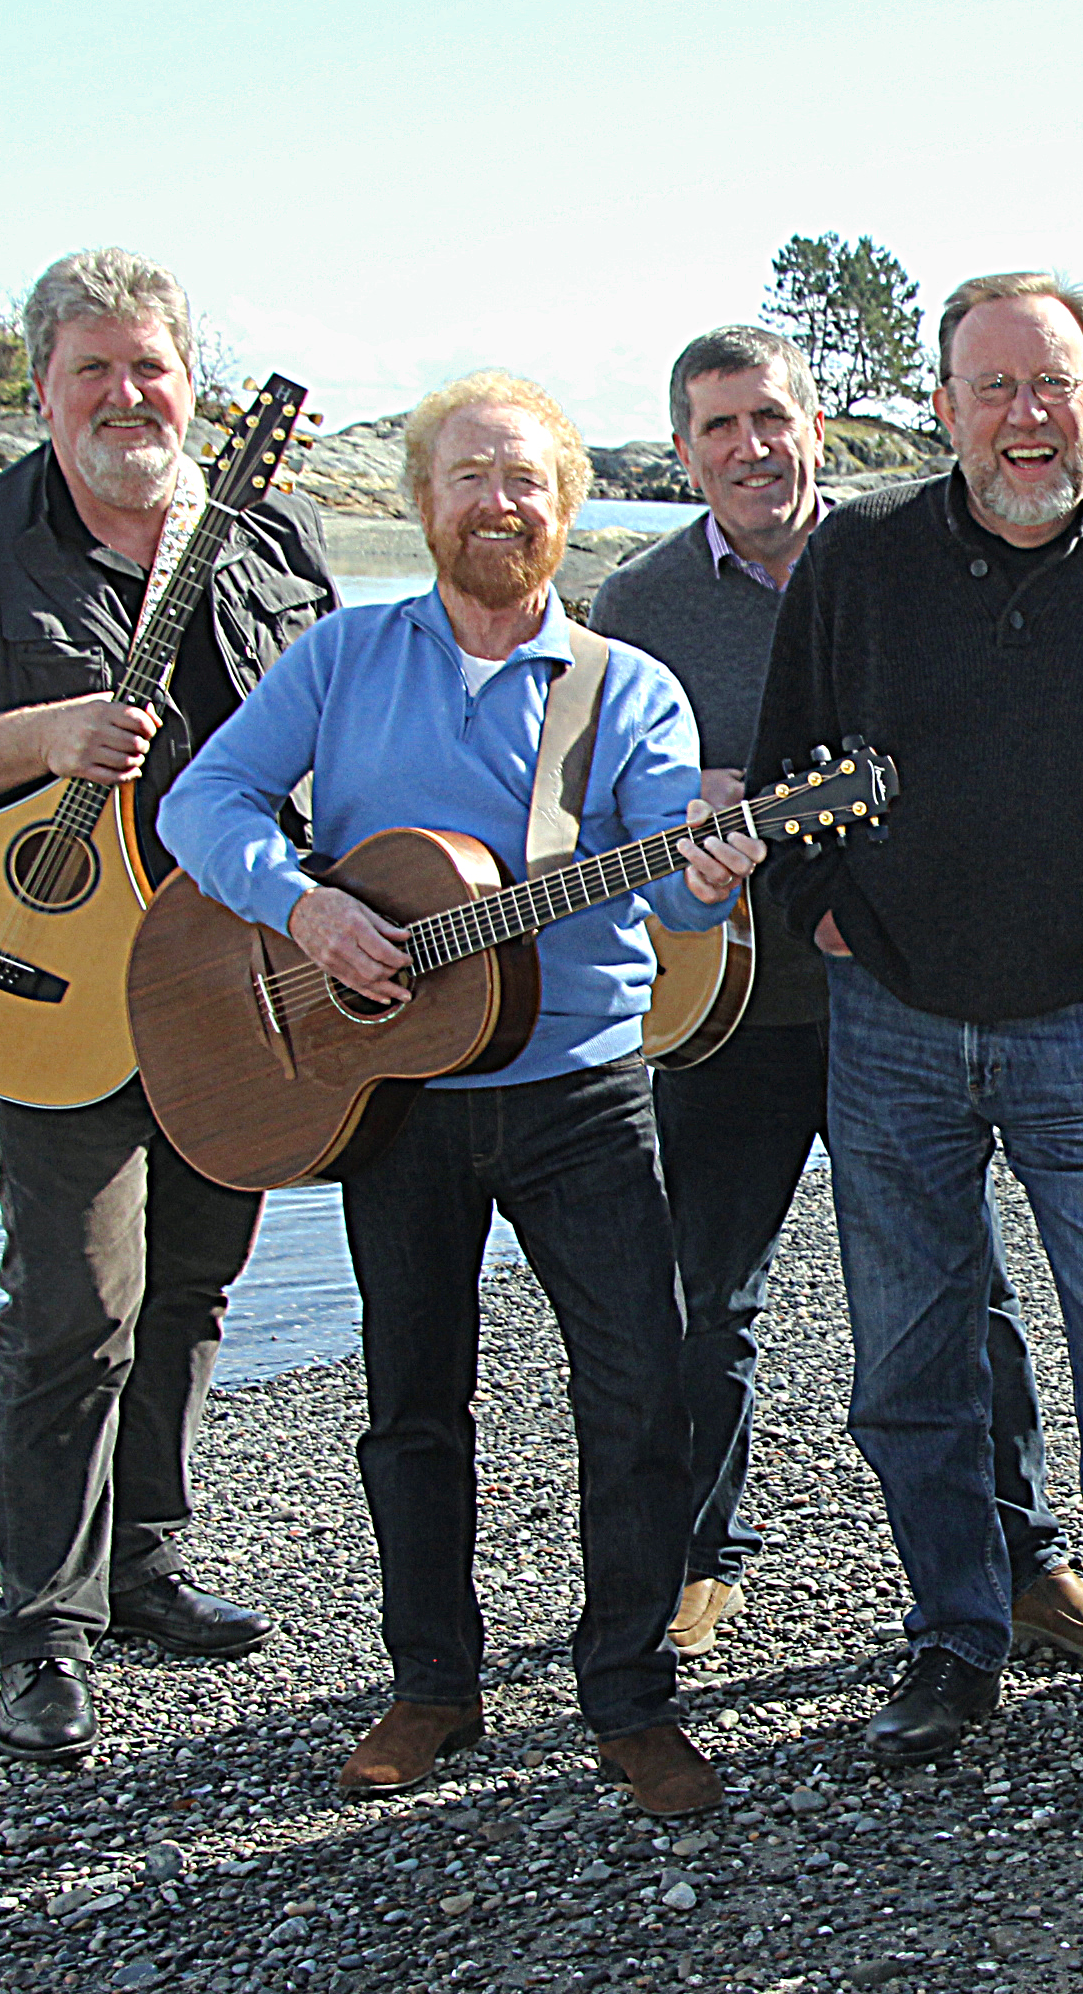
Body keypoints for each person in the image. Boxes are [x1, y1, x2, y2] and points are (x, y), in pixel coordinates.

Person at [160, 371, 755, 1817]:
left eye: (528, 481)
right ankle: (433, 1682)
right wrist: (303, 913)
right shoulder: (343, 656)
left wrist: (710, 874)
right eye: (471, 478)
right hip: (393, 1098)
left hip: (581, 1096)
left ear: (565, 507)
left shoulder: (628, 690)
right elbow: (202, 804)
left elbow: (678, 915)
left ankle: (628, 1693)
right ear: (424, 503)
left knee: (639, 1392)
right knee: (411, 1400)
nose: (500, 504)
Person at [753, 272, 1083, 1836]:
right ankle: (957, 1637)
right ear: (946, 408)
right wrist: (827, 918)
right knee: (909, 1368)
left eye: (1054, 385)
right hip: (894, 1025)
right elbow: (785, 771)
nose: (1026, 416)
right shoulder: (862, 556)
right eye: (994, 389)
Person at [0, 247, 335, 1761]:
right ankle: (40, 1628)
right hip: (51, 982)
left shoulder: (275, 532)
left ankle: (144, 1567)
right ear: (44, 387)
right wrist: (45, 732)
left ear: (193, 385)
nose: (127, 396)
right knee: (76, 1300)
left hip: (237, 977)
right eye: (94, 371)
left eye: (152, 369)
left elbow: (340, 736)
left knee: (192, 1288)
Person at [587, 326, 1083, 1667]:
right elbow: (584, 802)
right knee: (707, 1293)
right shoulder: (637, 607)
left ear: (816, 427)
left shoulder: (906, 556)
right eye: (717, 429)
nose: (749, 450)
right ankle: (704, 1558)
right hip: (721, 1009)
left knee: (962, 1287)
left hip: (903, 997)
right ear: (684, 452)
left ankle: (1025, 1553)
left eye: (770, 419)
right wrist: (683, 801)